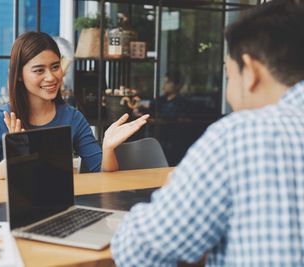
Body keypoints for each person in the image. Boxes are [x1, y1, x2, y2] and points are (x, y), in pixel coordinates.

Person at [111, 0, 304, 266]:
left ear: (250, 70)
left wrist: (171, 194)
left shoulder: (241, 136)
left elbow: (138, 252)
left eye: (228, 76)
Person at [0, 32, 149, 181]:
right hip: (13, 214)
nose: (51, 77)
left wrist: (108, 149)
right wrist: (15, 160)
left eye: (55, 67)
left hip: (61, 209)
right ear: (19, 75)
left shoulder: (72, 117)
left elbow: (102, 176)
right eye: (39, 70)